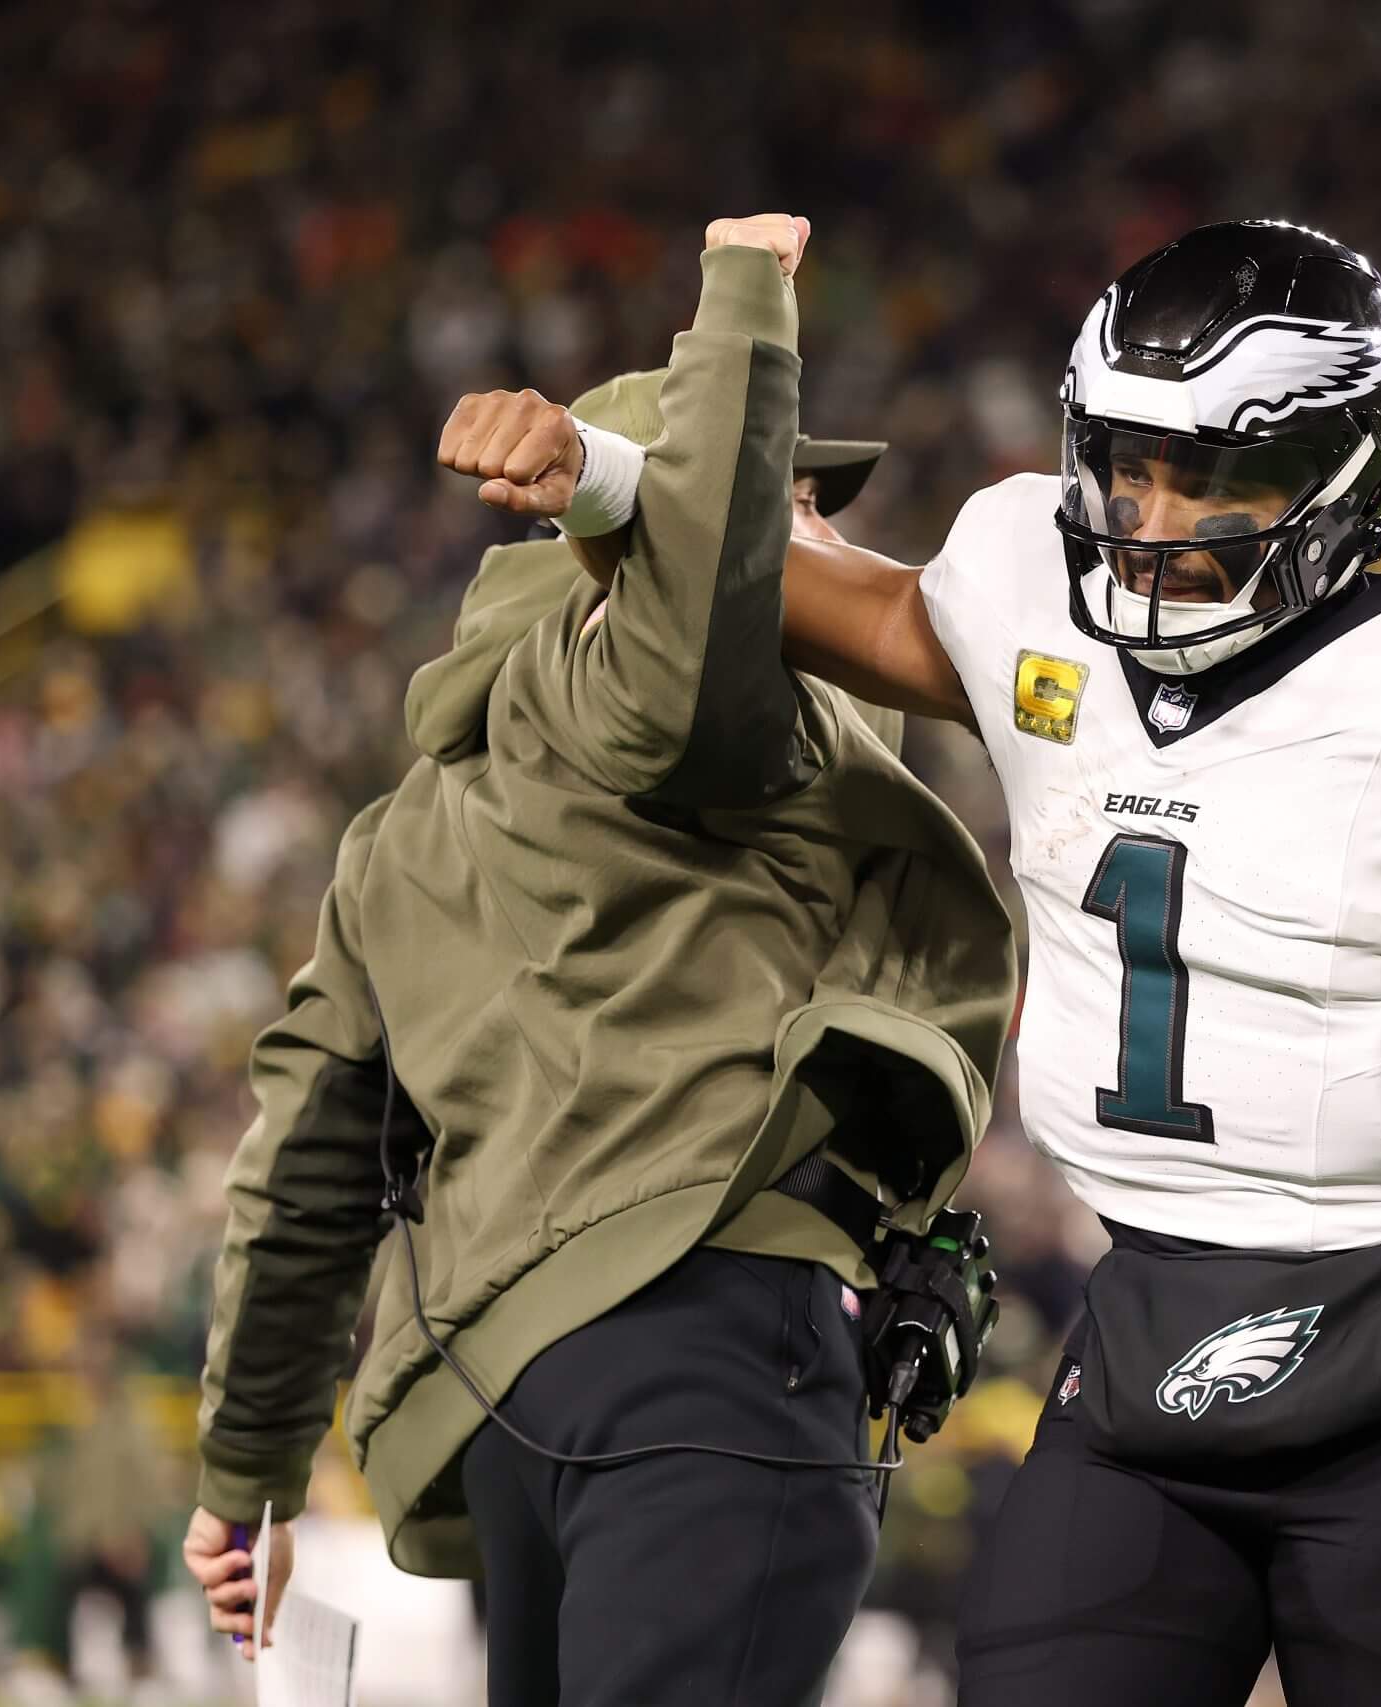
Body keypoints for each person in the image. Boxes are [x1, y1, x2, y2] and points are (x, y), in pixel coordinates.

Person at [473, 216, 1381, 1705]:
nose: (1158, 517)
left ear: (1341, 477)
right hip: (1147, 1327)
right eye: (1133, 463)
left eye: (1220, 476)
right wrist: (601, 477)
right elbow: (809, 589)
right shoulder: (1027, 600)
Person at [179, 214, 1019, 1707]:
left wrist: (245, 1473)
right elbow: (696, 618)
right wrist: (742, 302)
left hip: (521, 1401)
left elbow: (308, 1158)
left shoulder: (399, 837)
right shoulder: (631, 684)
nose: (819, 538)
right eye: (787, 503)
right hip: (707, 1351)